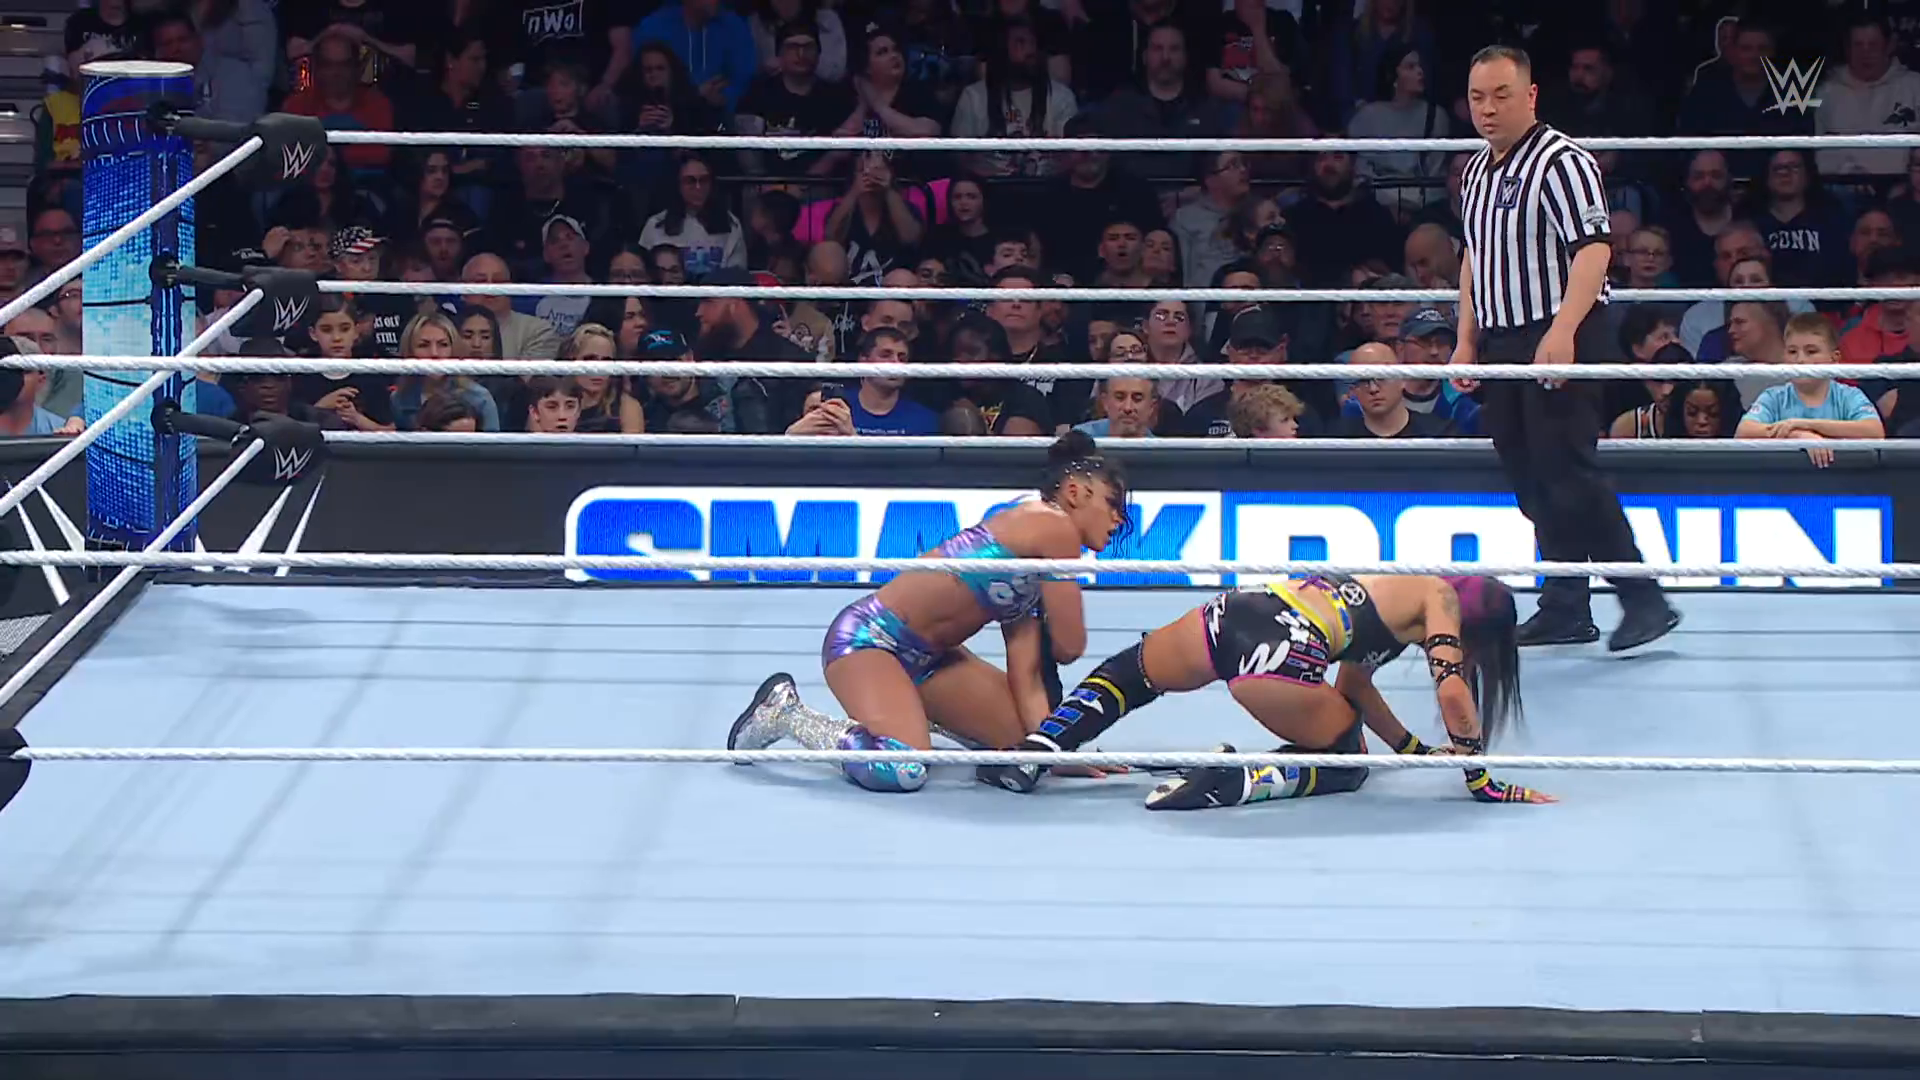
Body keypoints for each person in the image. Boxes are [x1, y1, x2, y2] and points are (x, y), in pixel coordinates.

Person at [728, 432, 1129, 792]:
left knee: (1019, 746)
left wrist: (1053, 750)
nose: (1119, 519)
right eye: (1112, 503)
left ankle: (917, 715)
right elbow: (1070, 646)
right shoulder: (1051, 526)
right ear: (1075, 492)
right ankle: (786, 714)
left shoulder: (1033, 559)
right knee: (902, 768)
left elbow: (1026, 676)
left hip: (932, 661)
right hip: (870, 642)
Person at [1449, 44, 1678, 653]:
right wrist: (1466, 340)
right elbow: (1474, 259)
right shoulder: (1476, 172)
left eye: (1501, 95)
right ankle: (1566, 605)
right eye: (1477, 97)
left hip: (1559, 331)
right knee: (1529, 476)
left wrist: (1563, 329)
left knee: (1569, 472)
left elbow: (1594, 249)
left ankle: (1644, 598)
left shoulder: (1561, 161)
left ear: (1530, 95)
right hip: (1502, 338)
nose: (1488, 109)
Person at [979, 574, 1553, 811]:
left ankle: (1036, 750)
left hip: (1242, 608)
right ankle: (1236, 780)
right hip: (1284, 645)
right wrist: (1480, 777)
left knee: (1132, 673)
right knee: (1348, 762)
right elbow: (1452, 692)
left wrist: (1413, 750)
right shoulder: (1441, 599)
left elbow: (1354, 686)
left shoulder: (1393, 596)